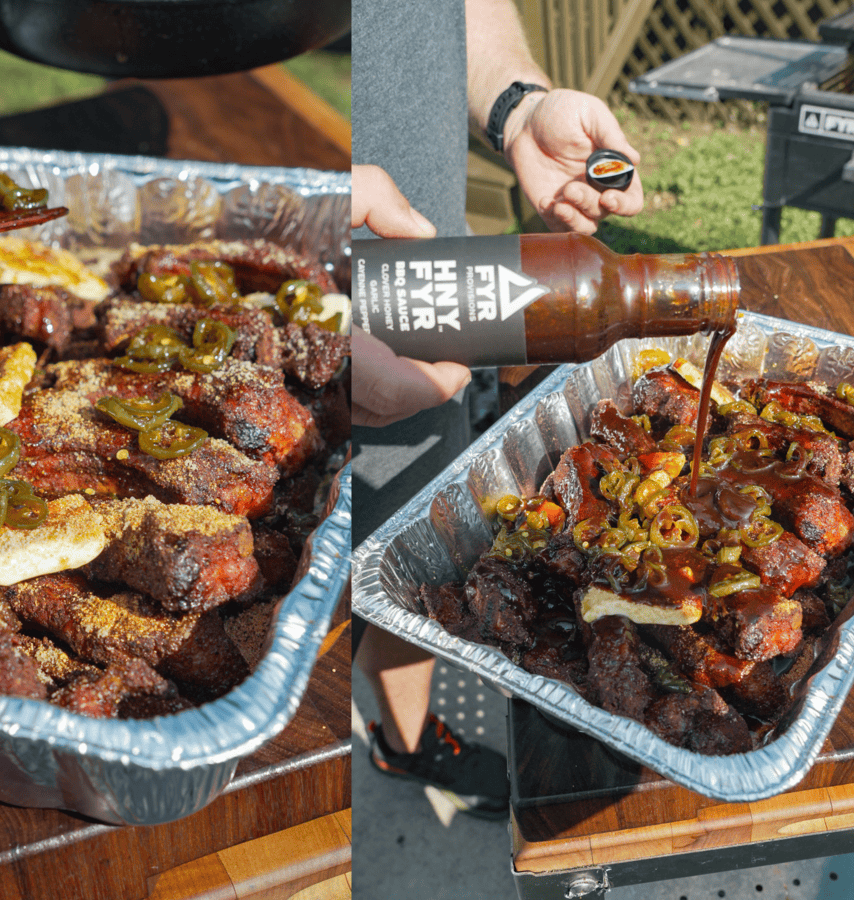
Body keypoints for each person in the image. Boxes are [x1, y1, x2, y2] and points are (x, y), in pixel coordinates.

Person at [351, 0, 646, 819]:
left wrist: (516, 105)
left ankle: (408, 736)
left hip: (428, 300)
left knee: (405, 532)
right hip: (278, 241)